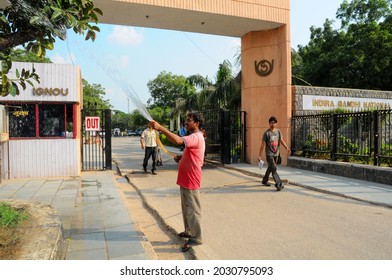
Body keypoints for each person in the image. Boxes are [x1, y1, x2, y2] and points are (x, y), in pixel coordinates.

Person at [149, 112, 205, 252]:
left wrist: (161, 128)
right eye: (187, 120)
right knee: (186, 208)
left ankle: (196, 238)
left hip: (191, 178)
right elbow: (191, 151)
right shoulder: (194, 137)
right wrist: (181, 157)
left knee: (193, 210)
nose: (186, 122)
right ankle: (188, 231)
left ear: (197, 123)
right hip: (186, 178)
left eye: (189, 120)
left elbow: (179, 141)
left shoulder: (196, 136)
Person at [258, 116, 291, 191]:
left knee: (270, 168)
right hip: (269, 154)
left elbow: (281, 140)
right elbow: (262, 145)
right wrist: (259, 155)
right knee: (274, 169)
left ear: (276, 123)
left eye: (274, 123)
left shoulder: (278, 131)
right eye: (271, 123)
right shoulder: (266, 133)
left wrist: (286, 147)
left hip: (276, 154)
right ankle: (278, 184)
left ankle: (264, 180)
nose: (272, 124)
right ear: (269, 123)